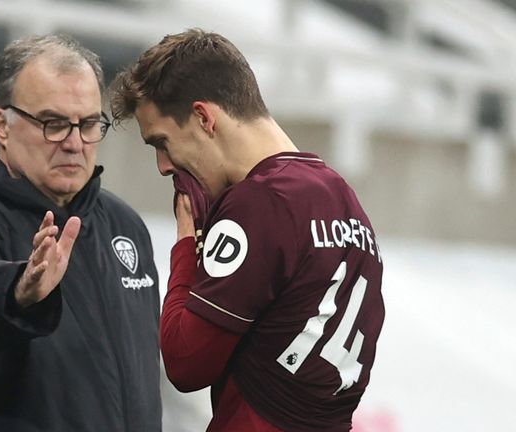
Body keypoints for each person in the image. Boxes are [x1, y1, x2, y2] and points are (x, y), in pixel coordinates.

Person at [110, 29, 385, 431]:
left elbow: (185, 362)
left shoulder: (260, 203)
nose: (163, 166)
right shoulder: (342, 197)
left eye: (162, 142)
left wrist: (186, 241)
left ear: (204, 118)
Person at [0, 35, 162, 431]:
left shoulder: (124, 227)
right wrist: (16, 290)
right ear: (2, 125)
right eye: (54, 124)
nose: (75, 143)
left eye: (89, 124)